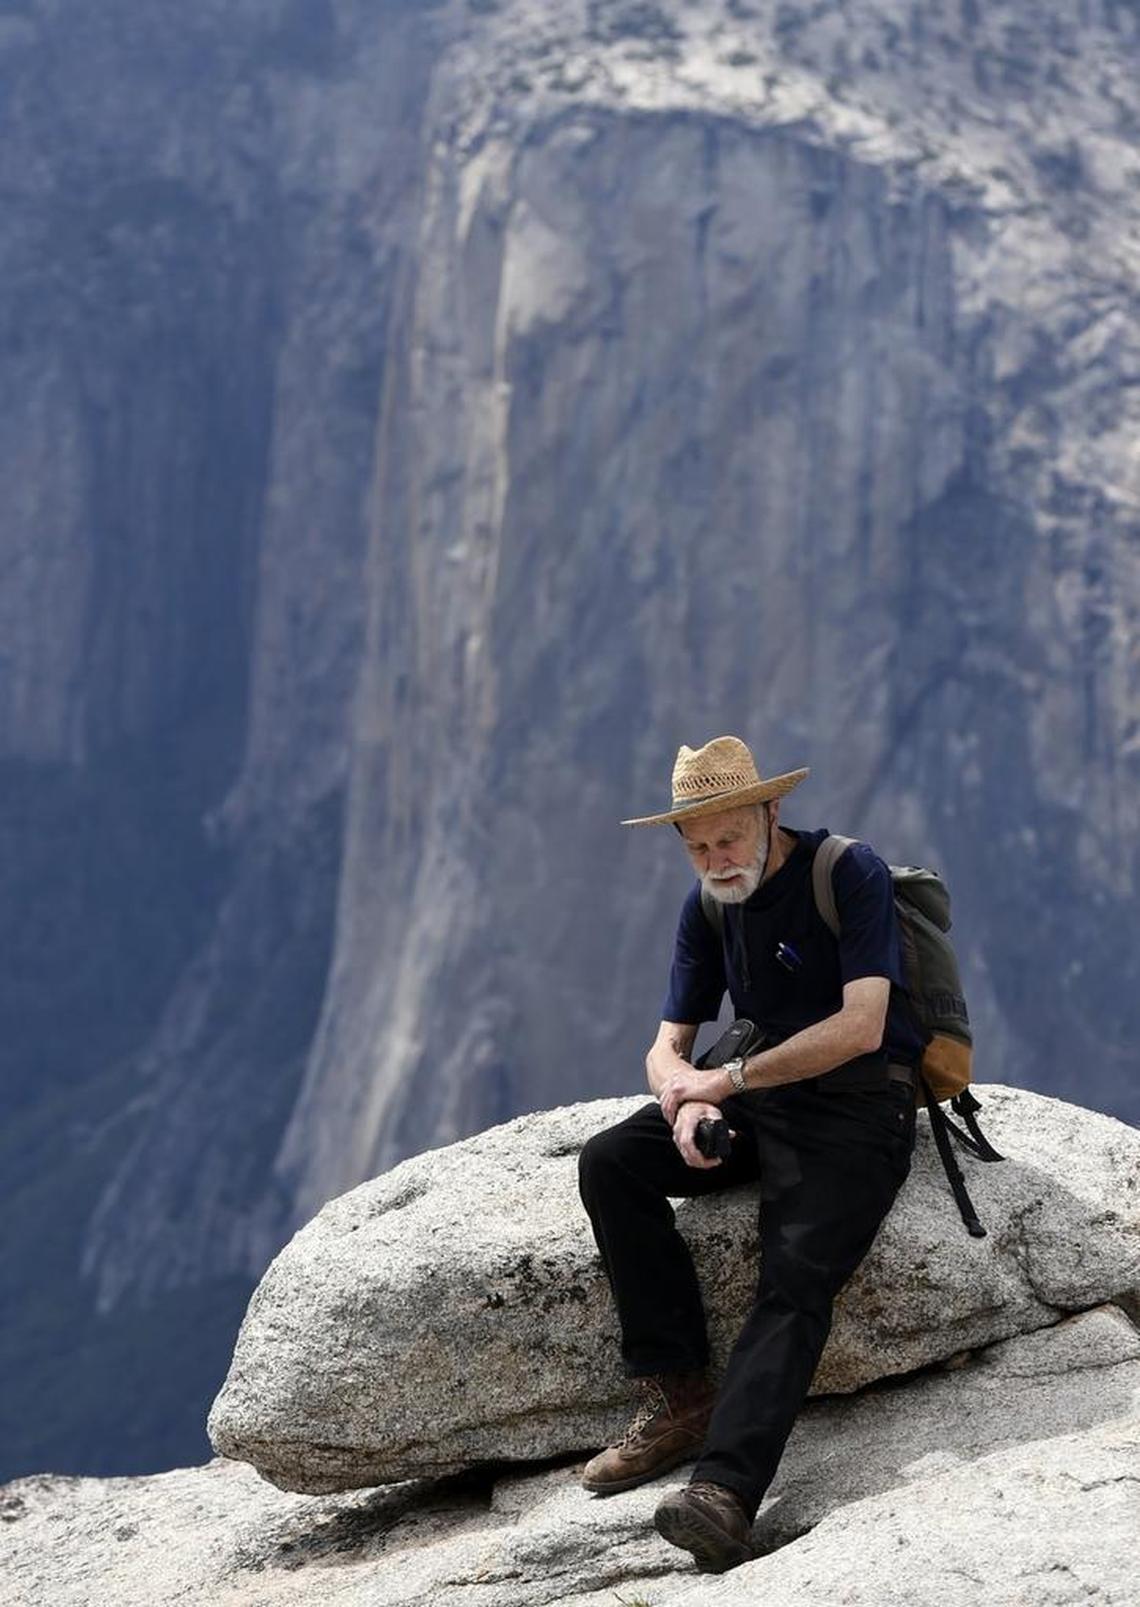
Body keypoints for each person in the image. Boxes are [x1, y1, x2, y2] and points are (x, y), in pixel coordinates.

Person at [577, 735, 922, 1574]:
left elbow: (862, 1024)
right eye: (695, 846)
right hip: (760, 1099)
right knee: (611, 1163)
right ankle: (681, 1397)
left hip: (857, 1110)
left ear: (771, 812)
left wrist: (724, 1081)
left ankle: (724, 1493)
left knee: (795, 1275)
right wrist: (681, 1097)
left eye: (727, 838)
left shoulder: (847, 873)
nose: (714, 858)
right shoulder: (709, 905)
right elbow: (666, 1044)